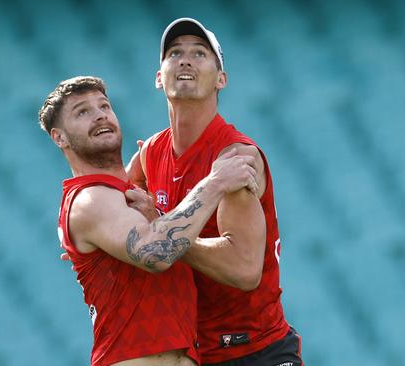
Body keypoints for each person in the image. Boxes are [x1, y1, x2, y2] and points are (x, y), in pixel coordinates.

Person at [38, 76, 259, 366]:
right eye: (83, 111)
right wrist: (215, 183)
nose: (100, 115)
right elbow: (156, 252)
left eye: (104, 106)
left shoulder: (124, 198)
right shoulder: (90, 198)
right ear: (60, 137)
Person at [128, 18, 303, 365]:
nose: (186, 60)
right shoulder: (151, 152)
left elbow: (243, 269)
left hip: (256, 352)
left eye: (200, 53)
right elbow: (115, 204)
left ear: (221, 79)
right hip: (195, 353)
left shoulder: (235, 158)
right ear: (159, 77)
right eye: (175, 53)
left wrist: (164, 232)